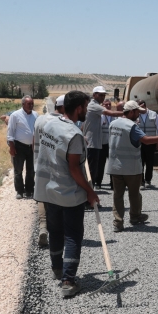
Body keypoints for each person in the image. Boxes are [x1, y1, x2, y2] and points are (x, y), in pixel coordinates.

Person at [34, 90, 99, 298]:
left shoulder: (49, 124)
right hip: (68, 193)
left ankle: (57, 268)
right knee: (72, 235)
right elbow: (74, 169)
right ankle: (68, 281)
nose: (86, 112)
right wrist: (90, 192)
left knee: (55, 230)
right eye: (86, 108)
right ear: (79, 108)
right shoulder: (74, 134)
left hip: (48, 190)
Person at [106, 100, 158, 232]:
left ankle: (118, 222)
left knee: (118, 195)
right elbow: (146, 140)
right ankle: (134, 217)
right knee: (134, 195)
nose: (139, 115)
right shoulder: (131, 126)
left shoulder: (113, 123)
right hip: (131, 168)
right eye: (137, 112)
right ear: (132, 112)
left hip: (115, 167)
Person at [32, 95, 65, 247]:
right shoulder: (62, 123)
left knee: (42, 198)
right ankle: (57, 231)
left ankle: (43, 229)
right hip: (55, 166)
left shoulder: (39, 120)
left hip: (39, 164)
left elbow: (34, 142)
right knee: (56, 199)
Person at [81, 86, 124, 192]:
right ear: (94, 95)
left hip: (93, 143)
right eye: (100, 95)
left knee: (92, 171)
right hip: (92, 143)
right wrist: (128, 113)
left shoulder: (93, 106)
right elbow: (112, 113)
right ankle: (88, 198)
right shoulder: (94, 105)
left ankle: (89, 196)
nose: (103, 97)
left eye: (104, 95)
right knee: (91, 172)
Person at [7, 95, 39, 199]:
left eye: (32, 103)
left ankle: (29, 190)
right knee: (18, 170)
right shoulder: (15, 115)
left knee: (31, 170)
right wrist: (11, 146)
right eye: (29, 104)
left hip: (32, 147)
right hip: (19, 146)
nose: (31, 105)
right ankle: (20, 191)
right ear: (23, 104)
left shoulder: (36, 115)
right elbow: (10, 131)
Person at [137, 99, 158, 188]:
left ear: (144, 104)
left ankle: (148, 180)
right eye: (139, 105)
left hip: (151, 142)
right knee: (140, 162)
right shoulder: (136, 115)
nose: (141, 106)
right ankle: (141, 181)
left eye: (142, 104)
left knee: (150, 162)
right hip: (139, 142)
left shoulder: (153, 114)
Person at [95, 99, 113, 189]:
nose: (108, 106)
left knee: (113, 164)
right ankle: (98, 182)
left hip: (112, 145)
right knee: (100, 164)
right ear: (102, 106)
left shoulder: (114, 117)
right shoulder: (100, 117)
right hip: (102, 144)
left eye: (109, 104)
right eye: (106, 105)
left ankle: (113, 183)